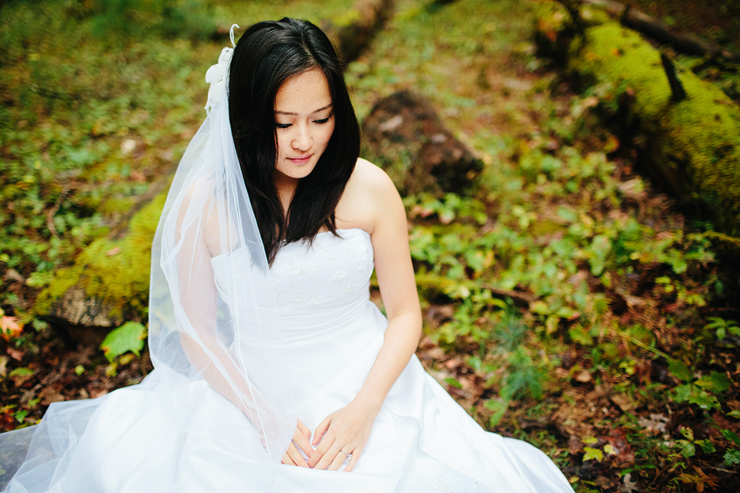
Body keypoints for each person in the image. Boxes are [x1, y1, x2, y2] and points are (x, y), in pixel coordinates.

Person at [0, 18, 574, 492]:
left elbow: (405, 314)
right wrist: (263, 414)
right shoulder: (208, 202)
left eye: (320, 119)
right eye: (283, 122)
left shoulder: (369, 188)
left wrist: (364, 409)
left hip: (365, 378)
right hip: (247, 387)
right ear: (250, 121)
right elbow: (197, 330)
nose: (304, 140)